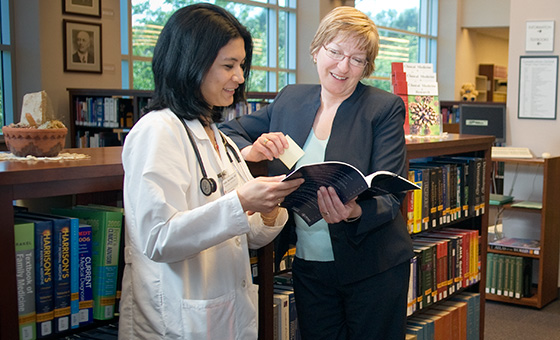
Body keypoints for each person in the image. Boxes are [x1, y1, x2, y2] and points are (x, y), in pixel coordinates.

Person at [220, 6, 414, 340]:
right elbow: (228, 132)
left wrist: (354, 211)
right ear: (316, 51)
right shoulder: (290, 99)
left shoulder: (382, 108)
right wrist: (251, 151)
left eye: (357, 59)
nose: (343, 66)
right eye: (335, 52)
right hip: (309, 264)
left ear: (366, 67)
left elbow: (391, 194)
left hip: (373, 264)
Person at [119, 4, 303, 340]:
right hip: (175, 319)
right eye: (229, 65)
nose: (240, 77)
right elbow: (157, 238)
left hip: (224, 313)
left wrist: (269, 205)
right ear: (191, 62)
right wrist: (240, 201)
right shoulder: (157, 131)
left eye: (242, 65)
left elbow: (250, 236)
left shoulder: (217, 136)